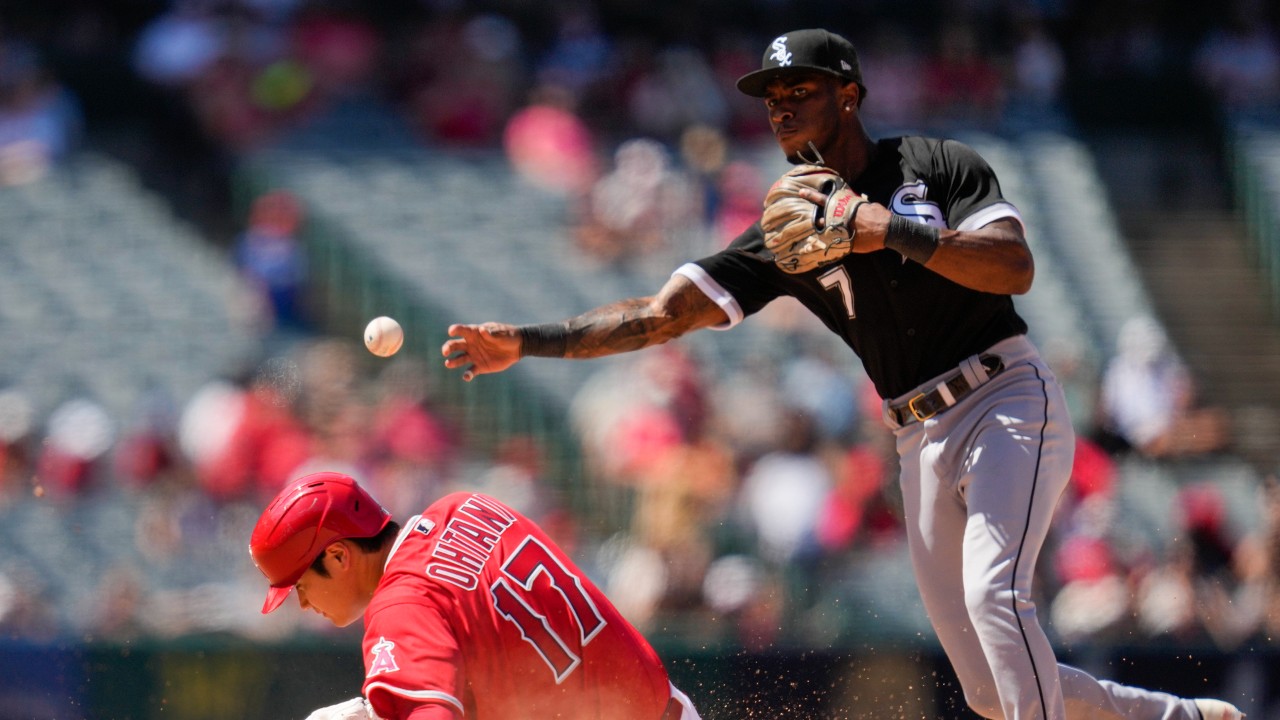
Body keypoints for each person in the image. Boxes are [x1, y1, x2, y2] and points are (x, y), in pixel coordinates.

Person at [441, 27, 1244, 720]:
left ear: (850, 95)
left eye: (802, 89)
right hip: (915, 434)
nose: (782, 105)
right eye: (772, 95)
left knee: (995, 602)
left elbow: (1016, 266)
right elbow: (661, 315)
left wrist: (886, 230)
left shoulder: (934, 165)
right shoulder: (787, 232)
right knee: (991, 692)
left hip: (1005, 397)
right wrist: (528, 339)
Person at [249, 471, 700, 720]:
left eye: (302, 585)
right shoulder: (464, 506)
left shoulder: (397, 607)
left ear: (340, 556)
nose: (304, 604)